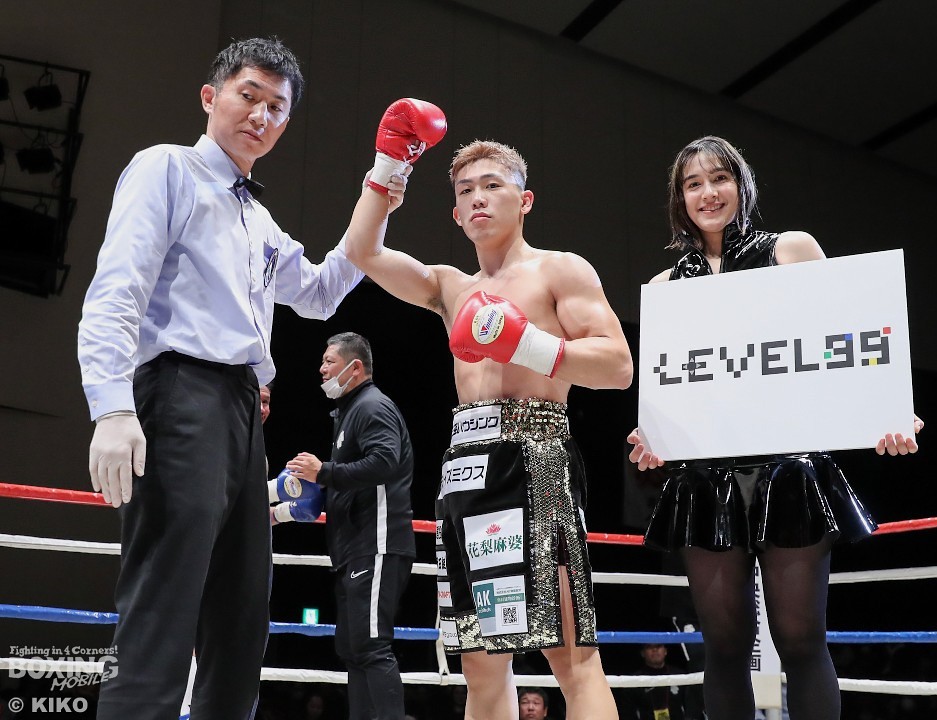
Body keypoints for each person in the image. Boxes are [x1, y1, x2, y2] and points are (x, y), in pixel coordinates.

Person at [78, 38, 406, 720]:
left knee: (241, 614)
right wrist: (110, 405)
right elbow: (117, 289)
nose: (260, 115)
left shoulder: (258, 219)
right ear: (211, 96)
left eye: (276, 107)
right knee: (164, 601)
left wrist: (382, 181)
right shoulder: (166, 168)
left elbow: (321, 291)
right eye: (248, 95)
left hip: (239, 412)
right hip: (178, 396)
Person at [626, 135, 924, 720]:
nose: (708, 193)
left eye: (719, 178)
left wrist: (889, 407)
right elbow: (668, 389)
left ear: (741, 184)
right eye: (693, 184)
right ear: (679, 198)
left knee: (802, 642)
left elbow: (850, 337)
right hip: (705, 483)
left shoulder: (791, 251)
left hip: (788, 474)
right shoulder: (666, 288)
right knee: (723, 649)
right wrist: (652, 435)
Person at [345, 124, 633, 717]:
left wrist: (528, 344)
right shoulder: (451, 288)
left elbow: (617, 366)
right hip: (466, 469)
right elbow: (362, 252)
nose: (478, 197)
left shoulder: (560, 271)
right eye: (466, 190)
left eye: (492, 185)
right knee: (480, 664)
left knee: (571, 655)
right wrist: (388, 167)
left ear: (524, 200)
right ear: (456, 215)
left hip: (536, 456)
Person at [279, 333, 416, 720]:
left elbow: (385, 462)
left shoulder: (372, 406)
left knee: (370, 647)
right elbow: (341, 484)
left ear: (355, 367)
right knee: (354, 650)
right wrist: (281, 510)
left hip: (376, 542)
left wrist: (323, 471)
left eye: (330, 362)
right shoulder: (350, 412)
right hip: (355, 547)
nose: (321, 369)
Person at [617, 643, 685, 720]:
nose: (655, 650)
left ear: (665, 651)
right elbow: (627, 712)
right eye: (649, 647)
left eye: (658, 646)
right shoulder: (634, 680)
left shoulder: (680, 676)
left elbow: (690, 706)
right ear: (642, 653)